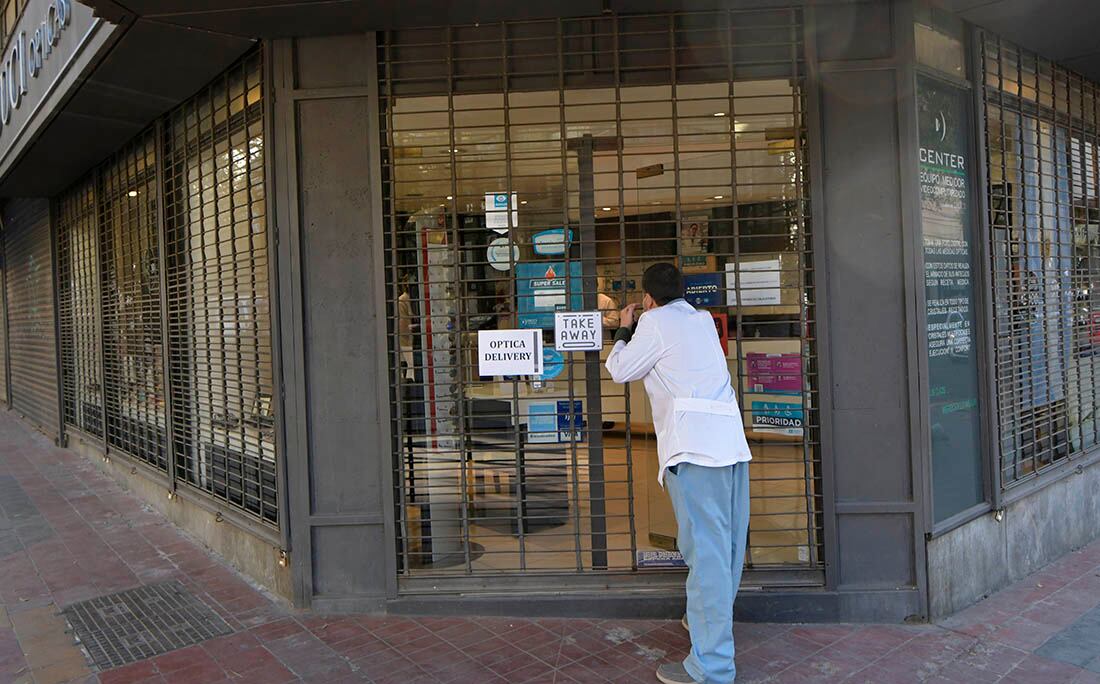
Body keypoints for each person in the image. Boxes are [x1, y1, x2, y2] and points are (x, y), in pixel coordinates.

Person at [605, 263, 751, 684]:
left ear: (648, 298)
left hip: (695, 450)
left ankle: (712, 668)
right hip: (731, 446)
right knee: (724, 548)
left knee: (705, 555)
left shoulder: (653, 322)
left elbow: (620, 370)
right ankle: (703, 621)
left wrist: (624, 329)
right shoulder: (702, 320)